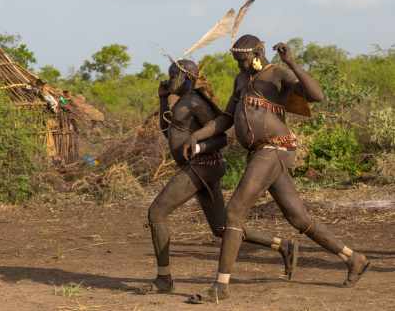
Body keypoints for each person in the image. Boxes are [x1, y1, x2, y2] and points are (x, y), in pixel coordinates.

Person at [182, 35, 371, 303]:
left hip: (276, 149)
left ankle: (221, 286)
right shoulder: (241, 80)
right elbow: (226, 118)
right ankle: (354, 259)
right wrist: (197, 136)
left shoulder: (279, 74)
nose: (240, 65)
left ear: (258, 52)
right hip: (261, 153)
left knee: (233, 213)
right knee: (298, 218)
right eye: (236, 60)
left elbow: (317, 96)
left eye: (243, 59)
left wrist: (291, 62)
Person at [136, 59, 299, 294]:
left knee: (156, 212)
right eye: (169, 77)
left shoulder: (197, 101)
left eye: (173, 77)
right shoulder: (182, 101)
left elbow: (223, 138)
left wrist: (198, 148)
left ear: (188, 77)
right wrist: (163, 99)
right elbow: (166, 129)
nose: (169, 81)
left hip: (202, 165)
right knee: (222, 228)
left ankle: (164, 279)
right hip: (201, 166)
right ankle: (282, 245)